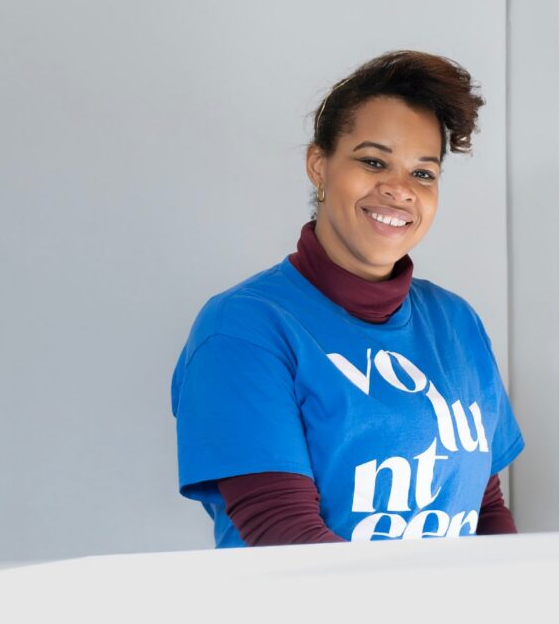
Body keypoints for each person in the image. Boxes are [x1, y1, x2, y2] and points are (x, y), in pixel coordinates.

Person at [170, 50, 525, 546]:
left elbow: (483, 507)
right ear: (319, 165)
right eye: (373, 161)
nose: (400, 190)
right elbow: (282, 533)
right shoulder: (244, 328)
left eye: (423, 173)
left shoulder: (456, 322)